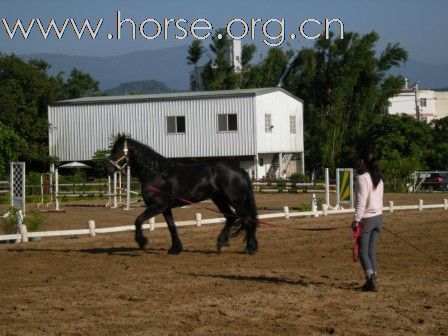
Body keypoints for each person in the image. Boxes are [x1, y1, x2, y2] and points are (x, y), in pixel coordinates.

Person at [351, 150, 384, 291]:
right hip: (379, 218)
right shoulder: (378, 178)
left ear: (363, 162)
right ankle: (373, 278)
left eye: (360, 160)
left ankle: (370, 280)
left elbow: (361, 202)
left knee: (363, 252)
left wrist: (356, 220)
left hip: (367, 220)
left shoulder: (362, 178)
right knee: (372, 252)